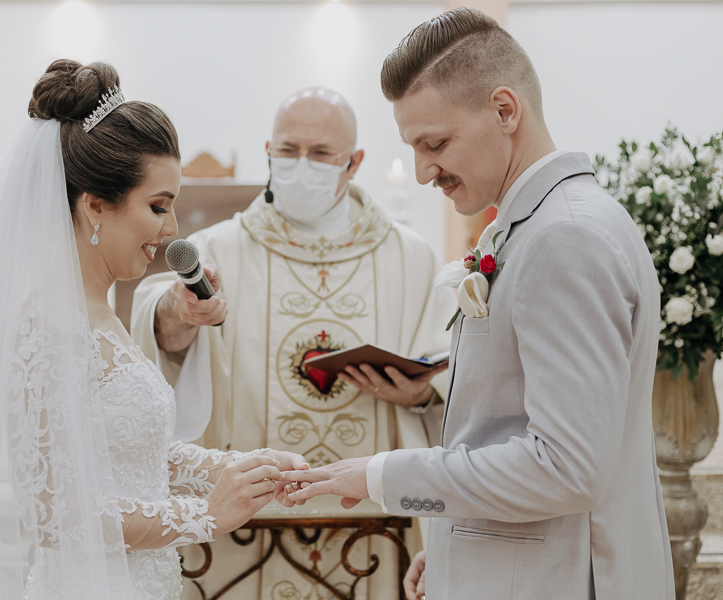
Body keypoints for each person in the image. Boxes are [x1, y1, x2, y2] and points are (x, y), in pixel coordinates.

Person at [285, 8, 675, 600]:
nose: (423, 172)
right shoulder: (543, 225)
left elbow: (567, 468)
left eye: (435, 143)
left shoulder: (564, 238)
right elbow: (506, 427)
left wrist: (382, 475)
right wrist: (457, 543)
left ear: (504, 110)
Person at [0, 59, 308, 600]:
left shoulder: (98, 310)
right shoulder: (46, 324)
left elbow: (132, 454)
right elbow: (54, 514)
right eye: (158, 206)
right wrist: (206, 515)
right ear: (95, 205)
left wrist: (239, 468)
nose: (172, 228)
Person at [130, 87, 454, 598]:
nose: (302, 165)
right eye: (287, 150)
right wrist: (178, 312)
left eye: (321, 153)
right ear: (268, 151)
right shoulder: (218, 247)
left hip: (371, 527)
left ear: (353, 162)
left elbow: (451, 370)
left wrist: (421, 392)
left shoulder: (410, 257)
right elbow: (157, 329)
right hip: (243, 533)